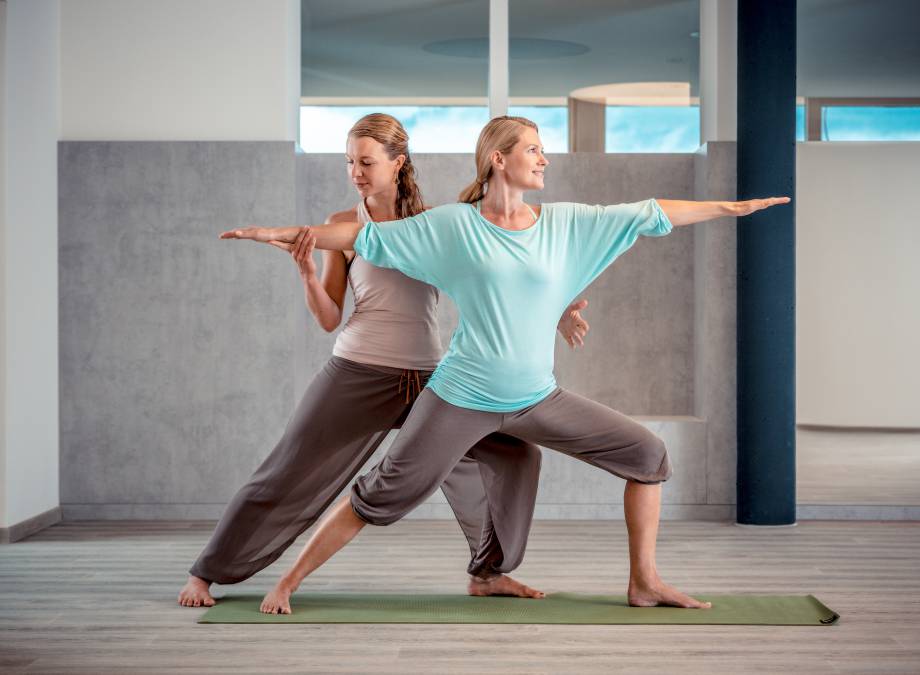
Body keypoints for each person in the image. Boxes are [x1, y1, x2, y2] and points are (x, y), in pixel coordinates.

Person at [221, 115, 790, 615]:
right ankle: (290, 579)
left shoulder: (567, 223)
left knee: (648, 455)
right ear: (500, 158)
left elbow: (649, 213)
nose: (544, 159)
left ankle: (643, 581)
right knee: (383, 495)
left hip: (535, 397)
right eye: (533, 149)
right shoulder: (454, 226)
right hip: (460, 396)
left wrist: (728, 208)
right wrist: (283, 233)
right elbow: (360, 235)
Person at [179, 114, 591, 608]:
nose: (356, 171)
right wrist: (308, 273)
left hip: (434, 382)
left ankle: (489, 573)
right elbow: (330, 318)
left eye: (366, 162)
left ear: (398, 164)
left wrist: (561, 312)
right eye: (350, 162)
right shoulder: (342, 226)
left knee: (515, 454)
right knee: (286, 470)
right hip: (358, 373)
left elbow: (507, 276)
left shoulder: (440, 224)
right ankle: (205, 574)